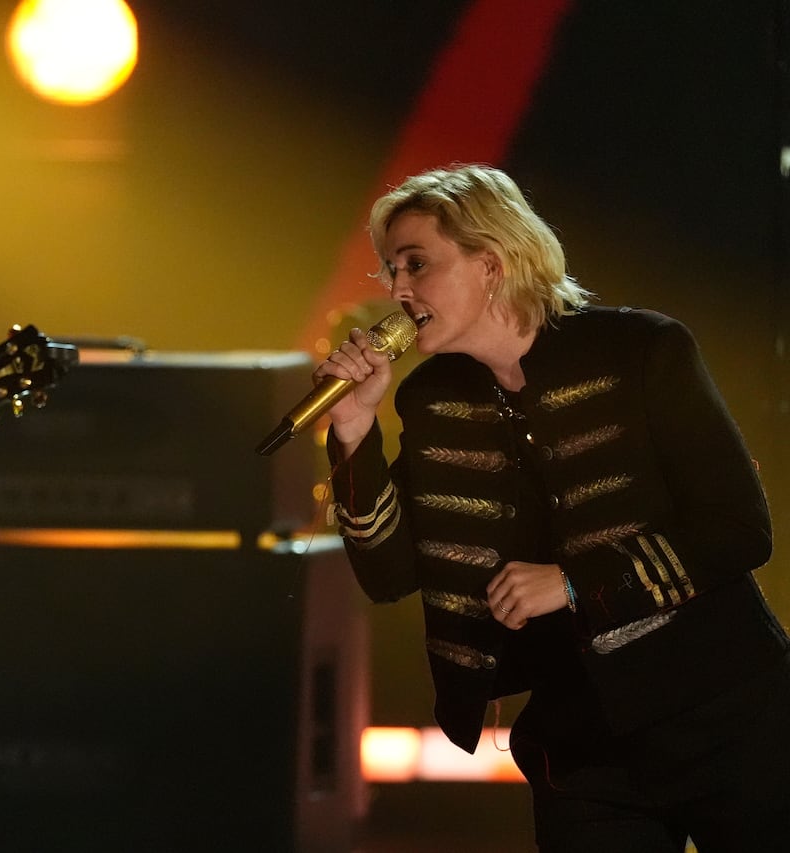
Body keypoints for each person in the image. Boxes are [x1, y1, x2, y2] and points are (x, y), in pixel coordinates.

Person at [317, 164, 790, 851]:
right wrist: (355, 430)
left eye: (416, 263)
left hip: (725, 714)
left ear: (491, 262)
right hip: (580, 747)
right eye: (391, 268)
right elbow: (388, 574)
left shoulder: (641, 350)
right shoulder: (434, 398)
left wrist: (573, 580)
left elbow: (740, 528)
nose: (396, 290)